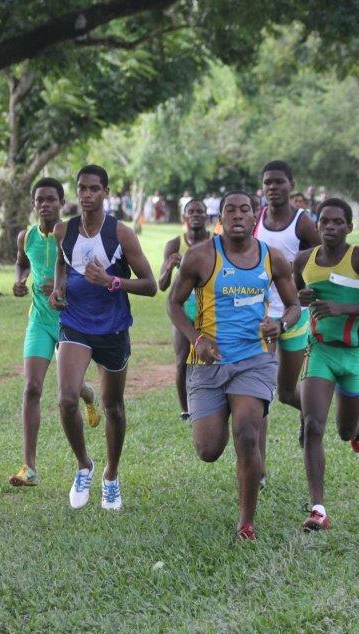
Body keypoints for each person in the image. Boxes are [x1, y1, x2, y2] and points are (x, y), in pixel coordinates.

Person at [168, 191, 300, 541]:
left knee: (247, 433)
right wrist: (197, 340)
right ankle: (220, 413)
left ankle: (246, 523)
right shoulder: (200, 256)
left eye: (245, 209)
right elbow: (174, 304)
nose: (238, 215)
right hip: (208, 361)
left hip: (254, 359)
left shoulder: (272, 258)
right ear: (220, 218)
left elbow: (293, 306)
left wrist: (281, 324)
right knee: (208, 450)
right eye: (230, 210)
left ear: (255, 216)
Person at [49, 165, 157, 511]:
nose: (87, 194)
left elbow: (151, 285)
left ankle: (111, 475)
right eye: (82, 188)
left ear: (106, 192)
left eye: (94, 188)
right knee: (67, 399)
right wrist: (59, 288)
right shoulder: (63, 230)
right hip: (75, 323)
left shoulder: (120, 234)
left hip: (112, 327)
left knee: (113, 407)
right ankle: (84, 466)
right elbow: (62, 263)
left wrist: (111, 281)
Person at [293, 198, 359, 532]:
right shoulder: (303, 261)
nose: (331, 227)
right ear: (317, 224)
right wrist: (299, 298)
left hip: (354, 355)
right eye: (325, 221)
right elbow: (295, 295)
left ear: (349, 227)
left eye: (338, 222)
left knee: (343, 432)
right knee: (313, 426)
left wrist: (345, 308)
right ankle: (318, 509)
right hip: (320, 350)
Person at [8, 178, 101, 488]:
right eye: (40, 200)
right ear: (34, 204)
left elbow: (87, 274)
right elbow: (22, 263)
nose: (45, 204)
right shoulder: (26, 237)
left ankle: (88, 394)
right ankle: (30, 467)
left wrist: (62, 287)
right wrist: (20, 281)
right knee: (32, 388)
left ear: (62, 203)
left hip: (70, 321)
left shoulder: (73, 236)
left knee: (70, 392)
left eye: (51, 199)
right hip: (39, 320)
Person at [255, 161, 321, 447]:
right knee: (260, 393)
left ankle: (310, 414)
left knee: (285, 393)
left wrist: (308, 290)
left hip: (295, 314)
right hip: (261, 316)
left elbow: (323, 259)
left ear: (291, 185)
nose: (273, 187)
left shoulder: (302, 222)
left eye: (279, 181)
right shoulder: (255, 219)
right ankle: (258, 467)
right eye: (267, 182)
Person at [158, 198, 211, 420]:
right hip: (183, 309)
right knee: (182, 361)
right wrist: (170, 267)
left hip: (209, 309)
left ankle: (210, 405)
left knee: (212, 358)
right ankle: (186, 411)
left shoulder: (215, 243)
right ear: (185, 217)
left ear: (206, 216)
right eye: (191, 211)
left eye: (200, 211)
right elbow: (161, 285)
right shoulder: (174, 245)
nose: (196, 215)